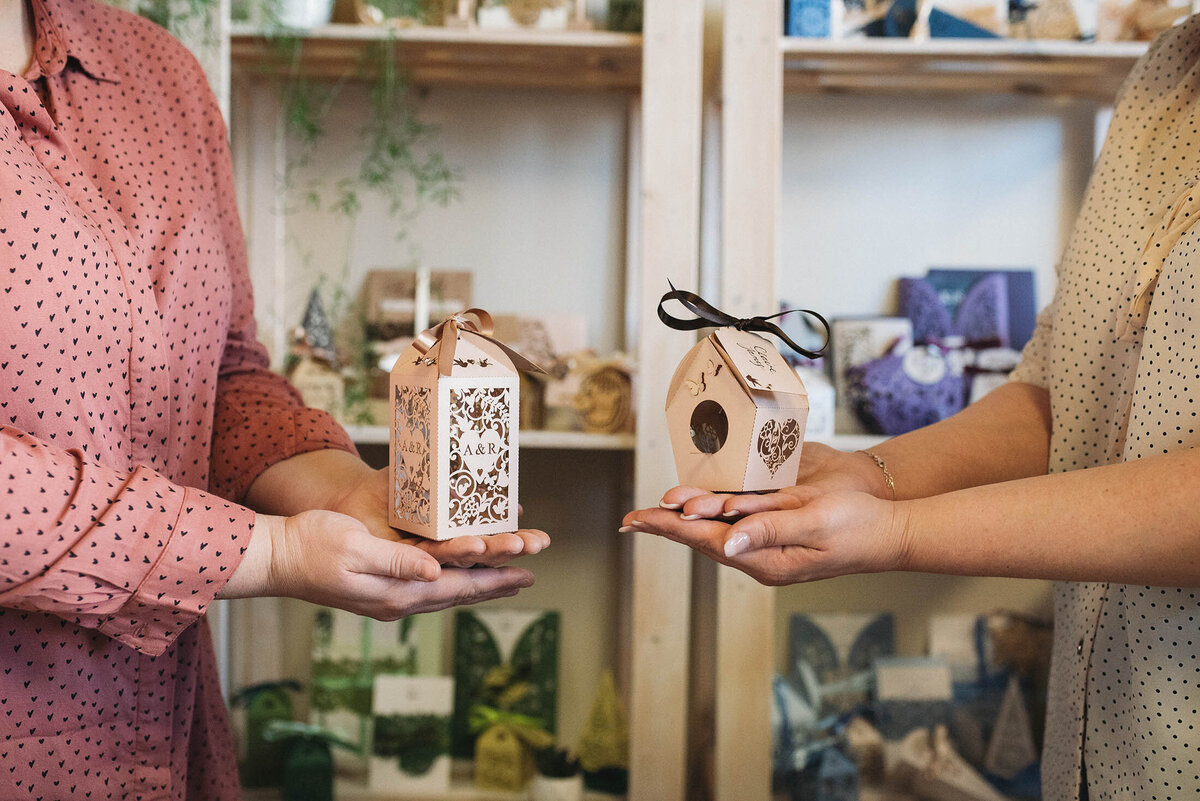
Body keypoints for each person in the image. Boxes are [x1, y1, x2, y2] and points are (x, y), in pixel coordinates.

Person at [624, 16, 1200, 801]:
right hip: (1096, 754)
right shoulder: (1167, 71)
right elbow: (1060, 397)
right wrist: (871, 476)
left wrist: (894, 532)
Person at [0, 0, 547, 795]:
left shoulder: (157, 72)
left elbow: (222, 376)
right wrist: (271, 551)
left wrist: (345, 490)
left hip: (165, 737)